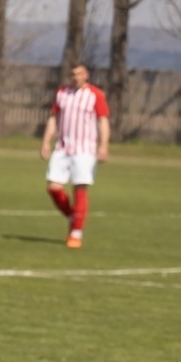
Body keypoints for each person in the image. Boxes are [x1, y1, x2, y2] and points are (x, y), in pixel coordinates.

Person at [40, 62, 110, 250]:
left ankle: (75, 234)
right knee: (53, 187)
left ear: (86, 74)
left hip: (85, 150)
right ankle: (74, 216)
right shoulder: (62, 93)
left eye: (79, 74)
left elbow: (103, 121)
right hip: (63, 148)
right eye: (73, 74)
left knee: (80, 189)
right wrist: (46, 141)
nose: (76, 77)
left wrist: (103, 146)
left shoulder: (95, 94)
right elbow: (54, 119)